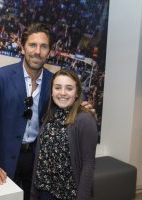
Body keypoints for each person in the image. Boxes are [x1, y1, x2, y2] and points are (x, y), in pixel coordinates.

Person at [0, 23, 91, 200]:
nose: (37, 51)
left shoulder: (53, 82)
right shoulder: (0, 77)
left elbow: (65, 107)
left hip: (38, 160)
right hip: (4, 159)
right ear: (23, 48)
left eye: (43, 46)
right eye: (32, 45)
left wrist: (83, 110)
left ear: (50, 52)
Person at [30, 69, 98, 200]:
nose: (62, 93)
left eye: (69, 88)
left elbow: (88, 165)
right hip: (44, 191)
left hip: (69, 194)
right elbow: (41, 159)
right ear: (51, 91)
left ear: (77, 93)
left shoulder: (85, 119)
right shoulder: (50, 114)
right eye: (57, 87)